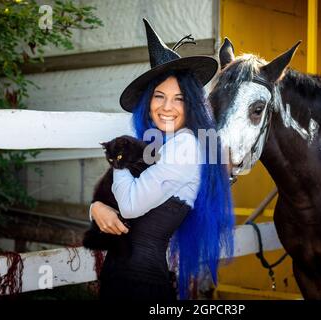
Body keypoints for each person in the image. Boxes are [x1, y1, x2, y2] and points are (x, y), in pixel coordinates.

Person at [89, 19, 234, 300]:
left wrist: (120, 158)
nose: (167, 107)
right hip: (123, 279)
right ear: (148, 101)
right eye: (159, 96)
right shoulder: (161, 145)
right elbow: (117, 202)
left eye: (178, 99)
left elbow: (129, 207)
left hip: (139, 285)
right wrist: (96, 207)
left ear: (190, 104)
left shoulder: (185, 146)